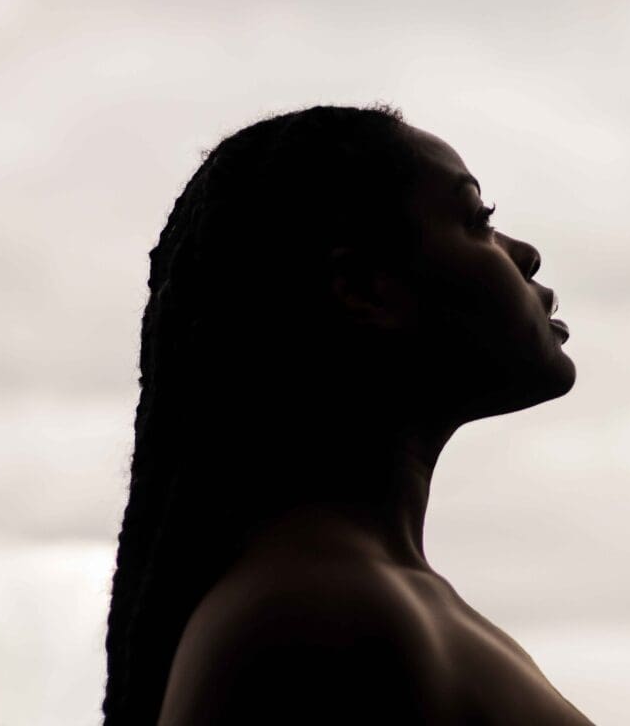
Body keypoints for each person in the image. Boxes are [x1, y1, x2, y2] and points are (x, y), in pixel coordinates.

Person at [103, 102, 595, 725]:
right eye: (477, 220)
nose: (524, 253)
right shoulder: (318, 618)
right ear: (363, 289)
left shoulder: (357, 598)